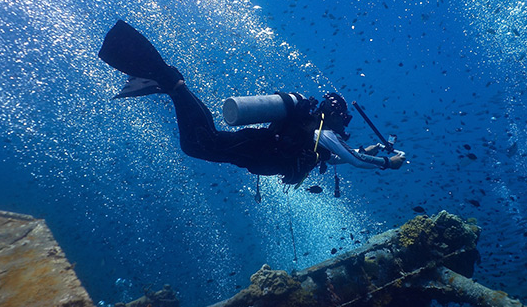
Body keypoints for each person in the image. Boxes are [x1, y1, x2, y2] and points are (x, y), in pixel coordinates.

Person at [97, 20, 406, 185]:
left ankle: (171, 85)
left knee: (206, 142)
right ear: (336, 115)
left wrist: (371, 150)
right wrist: (385, 163)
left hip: (256, 150)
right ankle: (172, 83)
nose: (346, 126)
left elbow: (338, 158)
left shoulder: (321, 140)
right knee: (201, 143)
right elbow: (349, 158)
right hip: (257, 147)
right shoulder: (322, 133)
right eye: (346, 120)